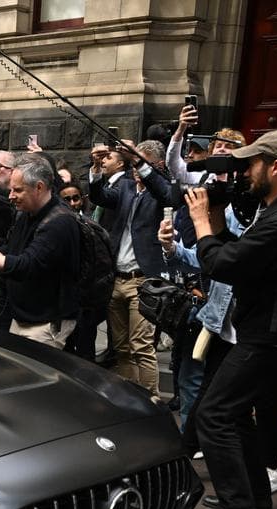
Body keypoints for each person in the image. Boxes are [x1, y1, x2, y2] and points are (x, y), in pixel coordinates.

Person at [187, 129, 277, 509]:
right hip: (271, 331)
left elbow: (222, 265)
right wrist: (215, 222)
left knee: (214, 413)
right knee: (239, 413)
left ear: (275, 167)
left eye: (252, 164)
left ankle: (236, 508)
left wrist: (199, 223)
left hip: (268, 335)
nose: (244, 172)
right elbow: (240, 257)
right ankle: (255, 495)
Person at [0, 156, 80, 348]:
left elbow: (26, 265)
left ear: (39, 187)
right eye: (11, 189)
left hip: (45, 324)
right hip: (23, 317)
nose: (11, 196)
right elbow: (11, 248)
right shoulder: (27, 213)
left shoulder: (60, 223)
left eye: (18, 190)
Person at [88, 139, 173, 398]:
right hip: (118, 278)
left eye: (141, 161)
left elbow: (166, 193)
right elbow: (99, 196)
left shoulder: (161, 191)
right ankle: (128, 396)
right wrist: (96, 168)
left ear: (156, 165)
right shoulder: (125, 188)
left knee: (141, 345)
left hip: (143, 280)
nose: (135, 168)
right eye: (134, 161)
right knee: (122, 346)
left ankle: (151, 398)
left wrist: (140, 162)